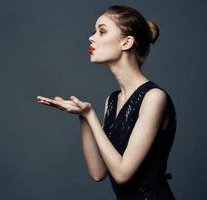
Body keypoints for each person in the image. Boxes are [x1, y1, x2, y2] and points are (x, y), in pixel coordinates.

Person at [37, 5, 177, 200]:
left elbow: (122, 173)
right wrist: (84, 116)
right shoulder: (112, 101)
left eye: (101, 31)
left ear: (126, 42)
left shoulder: (154, 97)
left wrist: (91, 117)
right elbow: (98, 173)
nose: (91, 37)